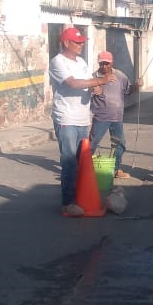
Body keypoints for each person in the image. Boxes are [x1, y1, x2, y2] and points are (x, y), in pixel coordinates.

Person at [49, 27, 116, 217]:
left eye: (82, 42)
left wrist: (96, 88)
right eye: (77, 42)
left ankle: (79, 197)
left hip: (82, 118)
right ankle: (67, 203)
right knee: (69, 162)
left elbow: (89, 83)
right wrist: (100, 81)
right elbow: (73, 83)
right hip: (66, 118)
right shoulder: (58, 62)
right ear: (66, 43)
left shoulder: (81, 62)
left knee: (81, 162)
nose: (81, 45)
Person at [89, 50, 137, 179]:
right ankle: (84, 170)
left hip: (117, 118)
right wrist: (94, 89)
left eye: (107, 63)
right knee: (92, 144)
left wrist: (137, 86)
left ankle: (115, 169)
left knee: (119, 144)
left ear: (112, 63)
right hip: (100, 118)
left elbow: (128, 90)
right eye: (102, 63)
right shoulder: (94, 77)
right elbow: (87, 93)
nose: (104, 66)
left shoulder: (120, 76)